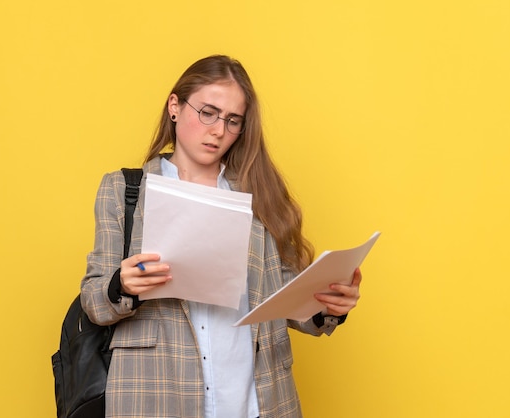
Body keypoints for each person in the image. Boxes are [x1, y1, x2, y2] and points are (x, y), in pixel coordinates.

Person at [80, 54, 362, 418]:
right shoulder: (125, 190)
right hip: (156, 396)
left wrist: (327, 304)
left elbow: (286, 301)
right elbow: (93, 298)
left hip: (255, 399)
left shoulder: (260, 194)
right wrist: (124, 285)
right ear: (175, 106)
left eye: (233, 121)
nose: (218, 131)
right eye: (208, 112)